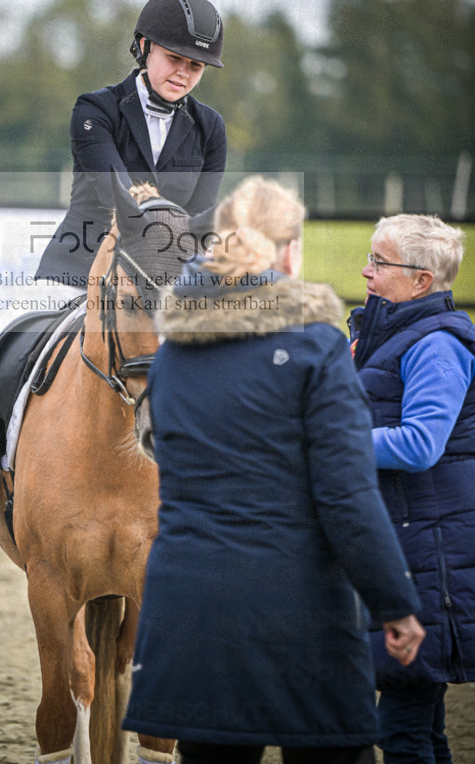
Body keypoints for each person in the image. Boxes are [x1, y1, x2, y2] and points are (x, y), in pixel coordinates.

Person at [122, 175, 425, 764]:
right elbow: (347, 496)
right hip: (299, 612)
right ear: (290, 250)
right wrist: (395, 602)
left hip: (190, 610)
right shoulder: (316, 344)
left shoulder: (173, 352)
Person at [0, 0, 228, 574]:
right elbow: (108, 181)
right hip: (79, 265)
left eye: (196, 65)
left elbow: (205, 212)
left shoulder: (209, 126)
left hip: (162, 278)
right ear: (144, 48)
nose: (185, 74)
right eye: (175, 59)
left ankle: (217, 510)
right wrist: (162, 219)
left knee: (226, 359)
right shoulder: (97, 107)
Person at [349, 214, 475, 764]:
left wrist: (329, 443)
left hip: (432, 554)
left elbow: (421, 444)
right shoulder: (385, 335)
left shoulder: (437, 346)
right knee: (421, 730)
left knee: (402, 732)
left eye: (379, 261)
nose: (365, 270)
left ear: (422, 280)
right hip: (409, 545)